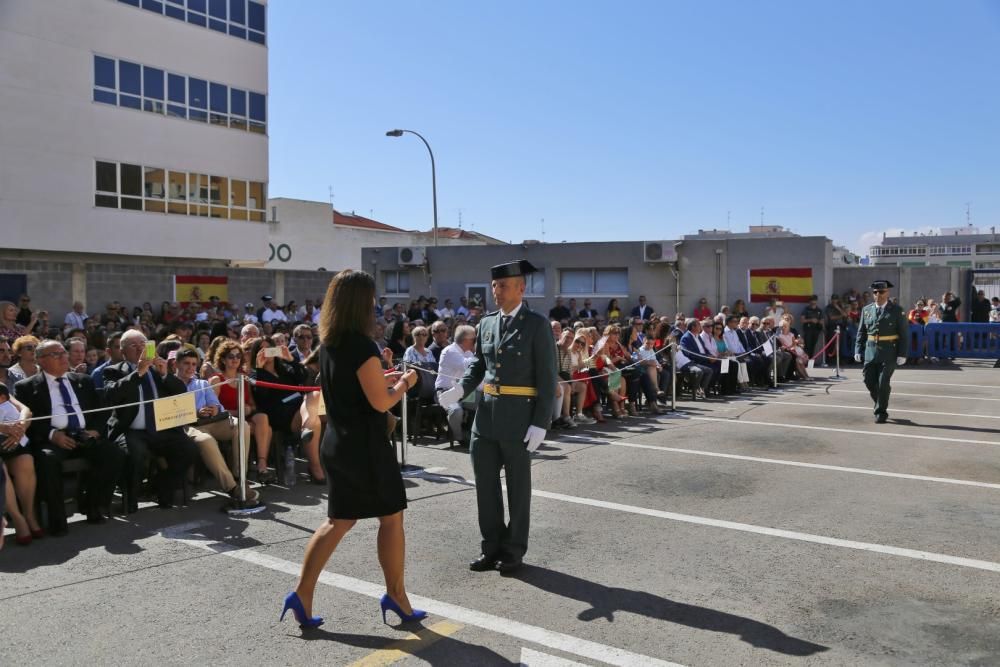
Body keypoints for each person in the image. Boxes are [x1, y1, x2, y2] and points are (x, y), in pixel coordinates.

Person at [283, 269, 424, 630]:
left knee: (338, 522)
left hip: (339, 442)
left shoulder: (328, 345)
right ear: (363, 303)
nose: (376, 305)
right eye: (373, 299)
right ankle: (396, 594)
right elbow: (380, 403)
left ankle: (302, 592)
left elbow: (354, 389)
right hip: (365, 447)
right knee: (391, 517)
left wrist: (385, 379)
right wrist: (407, 380)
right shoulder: (363, 346)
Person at [439, 260, 557, 574]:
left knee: (518, 489)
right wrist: (458, 391)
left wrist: (540, 422)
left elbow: (547, 377)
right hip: (486, 418)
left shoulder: (536, 324)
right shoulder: (488, 324)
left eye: (503, 285)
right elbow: (478, 366)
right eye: (494, 285)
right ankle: (490, 547)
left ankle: (514, 550)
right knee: (485, 486)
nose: (497, 291)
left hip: (520, 419)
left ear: (521, 288)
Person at [15, 339, 126, 533]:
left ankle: (93, 505)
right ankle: (57, 519)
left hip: (84, 434)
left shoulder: (83, 380)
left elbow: (101, 412)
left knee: (113, 453)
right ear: (40, 360)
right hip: (54, 439)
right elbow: (29, 421)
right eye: (55, 354)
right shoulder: (26, 387)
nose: (63, 357)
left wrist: (96, 430)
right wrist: (52, 434)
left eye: (63, 353)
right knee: (47, 460)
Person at [102, 330, 199, 511]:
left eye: (143, 344)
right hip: (131, 429)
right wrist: (138, 373)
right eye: (134, 345)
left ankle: (162, 489)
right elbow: (112, 395)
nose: (140, 348)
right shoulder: (113, 371)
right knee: (135, 453)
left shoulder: (158, 368)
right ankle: (131, 498)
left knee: (188, 449)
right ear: (123, 352)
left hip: (161, 427)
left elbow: (180, 391)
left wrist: (164, 374)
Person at [174, 348, 258, 507]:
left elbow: (218, 406)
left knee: (242, 425)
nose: (190, 367)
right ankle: (232, 487)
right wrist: (196, 412)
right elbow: (170, 412)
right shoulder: (170, 384)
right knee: (206, 440)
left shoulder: (202, 383)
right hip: (189, 425)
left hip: (212, 421)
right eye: (186, 363)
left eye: (193, 364)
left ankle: (240, 477)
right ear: (176, 364)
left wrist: (214, 409)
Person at [854, 280, 909, 423]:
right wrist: (858, 349)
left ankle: (881, 412)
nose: (878, 294)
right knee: (868, 381)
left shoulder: (897, 310)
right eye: (875, 292)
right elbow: (861, 332)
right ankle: (880, 402)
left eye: (881, 292)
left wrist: (902, 354)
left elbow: (904, 334)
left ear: (887, 293)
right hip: (870, 351)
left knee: (883, 382)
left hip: (889, 352)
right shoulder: (867, 310)